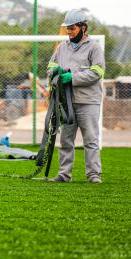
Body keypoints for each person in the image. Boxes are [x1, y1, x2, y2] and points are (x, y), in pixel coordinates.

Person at [47, 9, 105, 183]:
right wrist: (54, 72)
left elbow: (97, 72)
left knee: (91, 140)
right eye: (68, 29)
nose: (69, 32)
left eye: (72, 28)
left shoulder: (94, 48)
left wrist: (73, 77)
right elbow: (50, 67)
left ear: (83, 27)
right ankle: (64, 174)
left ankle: (94, 175)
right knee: (66, 140)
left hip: (88, 102)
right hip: (67, 102)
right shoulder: (61, 48)